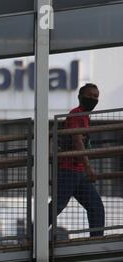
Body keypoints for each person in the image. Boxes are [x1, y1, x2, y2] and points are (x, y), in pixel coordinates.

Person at [49, 83, 105, 237]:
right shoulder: (76, 114)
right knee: (57, 206)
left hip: (78, 171)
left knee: (95, 207)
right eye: (90, 95)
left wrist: (85, 168)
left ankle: (97, 240)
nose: (93, 99)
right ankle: (34, 234)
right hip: (69, 169)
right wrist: (89, 167)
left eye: (96, 96)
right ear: (80, 97)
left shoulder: (85, 116)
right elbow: (77, 141)